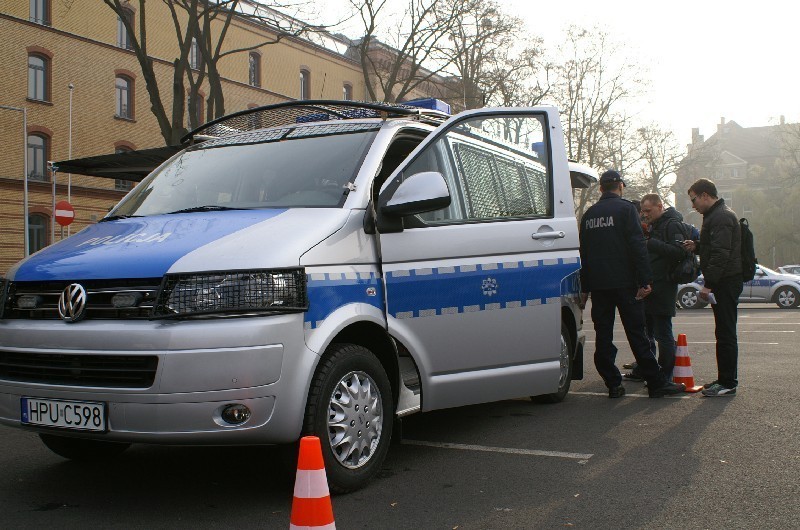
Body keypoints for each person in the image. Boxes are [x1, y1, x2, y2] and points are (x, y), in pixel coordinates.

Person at [579, 170, 685, 398]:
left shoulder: (589, 215)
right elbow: (638, 246)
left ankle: (613, 384)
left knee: (604, 336)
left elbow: (584, 253)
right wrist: (645, 280)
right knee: (637, 334)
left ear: (600, 189)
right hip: (625, 283)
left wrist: (585, 286)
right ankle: (656, 383)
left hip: (599, 286)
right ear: (621, 186)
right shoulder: (626, 210)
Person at [683, 179, 742, 396]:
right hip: (724, 280)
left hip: (726, 281)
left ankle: (727, 383)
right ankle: (724, 379)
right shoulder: (716, 215)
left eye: (694, 199)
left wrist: (708, 286)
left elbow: (721, 254)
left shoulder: (722, 217)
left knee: (726, 333)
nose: (693, 205)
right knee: (723, 332)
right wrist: (697, 246)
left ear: (705, 195)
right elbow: (715, 247)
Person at [624, 194, 687, 382]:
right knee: (647, 332)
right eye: (643, 211)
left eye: (648, 211)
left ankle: (665, 377)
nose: (644, 215)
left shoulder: (672, 224)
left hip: (664, 286)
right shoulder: (653, 225)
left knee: (663, 333)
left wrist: (651, 243)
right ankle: (649, 371)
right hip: (651, 285)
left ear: (660, 206)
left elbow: (679, 252)